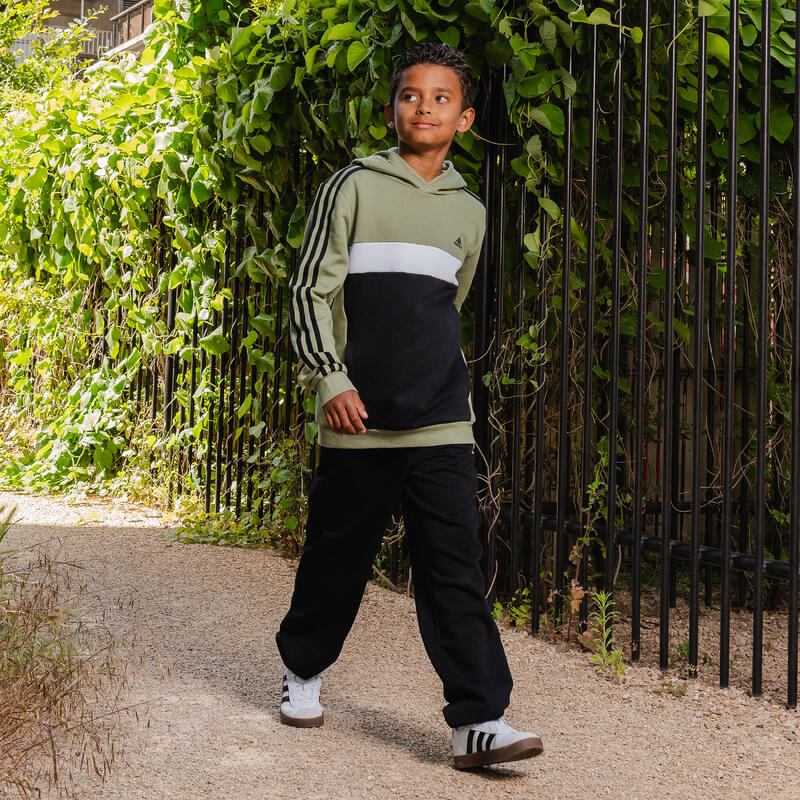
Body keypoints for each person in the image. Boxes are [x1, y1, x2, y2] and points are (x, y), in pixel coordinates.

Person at [275, 42, 544, 770]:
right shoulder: (353, 187)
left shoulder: (468, 211)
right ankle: (302, 672)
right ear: (393, 108)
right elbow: (309, 293)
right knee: (337, 558)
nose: (423, 108)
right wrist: (331, 381)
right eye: (410, 96)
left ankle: (479, 720)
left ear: (465, 117)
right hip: (357, 418)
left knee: (454, 564)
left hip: (441, 417)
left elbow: (446, 308)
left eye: (440, 98)